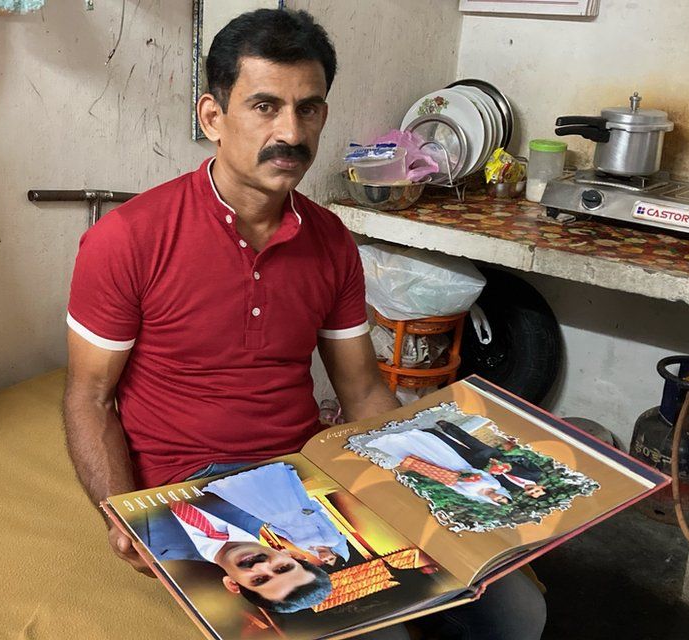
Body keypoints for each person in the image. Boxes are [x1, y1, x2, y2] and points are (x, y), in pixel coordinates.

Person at [63, 8, 545, 639]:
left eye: (309, 108)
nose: (291, 132)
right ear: (213, 117)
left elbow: (362, 390)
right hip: (197, 487)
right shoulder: (127, 239)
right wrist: (122, 517)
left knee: (512, 613)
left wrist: (428, 471)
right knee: (384, 633)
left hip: (311, 470)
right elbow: (89, 395)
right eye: (265, 106)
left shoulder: (331, 240)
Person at [130, 492, 332, 613]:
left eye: (259, 580)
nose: (260, 566)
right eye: (282, 568)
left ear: (233, 584)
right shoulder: (259, 499)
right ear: (291, 555)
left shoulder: (149, 547)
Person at [204, 462, 350, 566]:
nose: (326, 559)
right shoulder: (331, 540)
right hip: (297, 513)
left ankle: (234, 483)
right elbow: (323, 522)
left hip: (280, 521)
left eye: (326, 562)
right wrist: (310, 513)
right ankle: (267, 473)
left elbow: (287, 535)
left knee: (260, 501)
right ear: (335, 552)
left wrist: (271, 527)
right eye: (330, 559)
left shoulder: (308, 548)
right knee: (279, 493)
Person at [368, 429, 513, 505]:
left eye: (498, 501)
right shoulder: (494, 484)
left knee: (424, 459)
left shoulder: (474, 495)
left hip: (447, 474)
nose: (497, 498)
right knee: (437, 451)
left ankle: (398, 444)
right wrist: (470, 474)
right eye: (501, 497)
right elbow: (482, 472)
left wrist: (457, 479)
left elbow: (454, 487)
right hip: (459, 466)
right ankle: (415, 437)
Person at [431, 420, 548, 499]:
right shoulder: (535, 474)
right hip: (491, 455)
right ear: (542, 487)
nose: (532, 491)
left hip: (479, 464)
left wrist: (488, 470)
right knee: (468, 439)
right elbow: (522, 459)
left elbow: (493, 480)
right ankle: (446, 426)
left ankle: (433, 433)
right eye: (536, 491)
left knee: (454, 448)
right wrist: (503, 460)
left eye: (532, 493)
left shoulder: (512, 488)